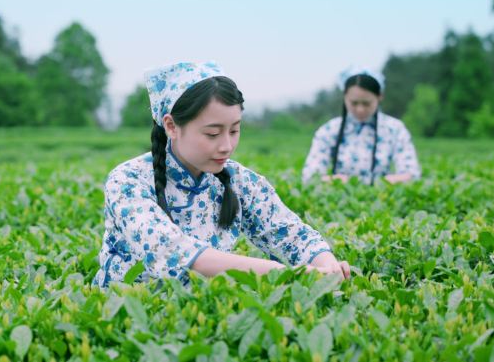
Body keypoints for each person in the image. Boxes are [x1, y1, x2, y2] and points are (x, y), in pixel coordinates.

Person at [93, 61, 350, 287]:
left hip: (205, 313)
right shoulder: (128, 180)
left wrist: (326, 265)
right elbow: (171, 251)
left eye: (235, 131)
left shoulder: (241, 180)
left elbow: (289, 232)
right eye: (213, 134)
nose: (226, 145)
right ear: (171, 125)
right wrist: (283, 273)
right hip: (127, 316)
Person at [302, 67, 421, 185]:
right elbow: (310, 177)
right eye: (354, 103)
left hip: (381, 198)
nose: (360, 109)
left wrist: (374, 183)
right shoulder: (329, 130)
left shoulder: (395, 129)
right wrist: (340, 181)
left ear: (380, 97)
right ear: (344, 97)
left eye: (366, 103)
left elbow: (412, 174)